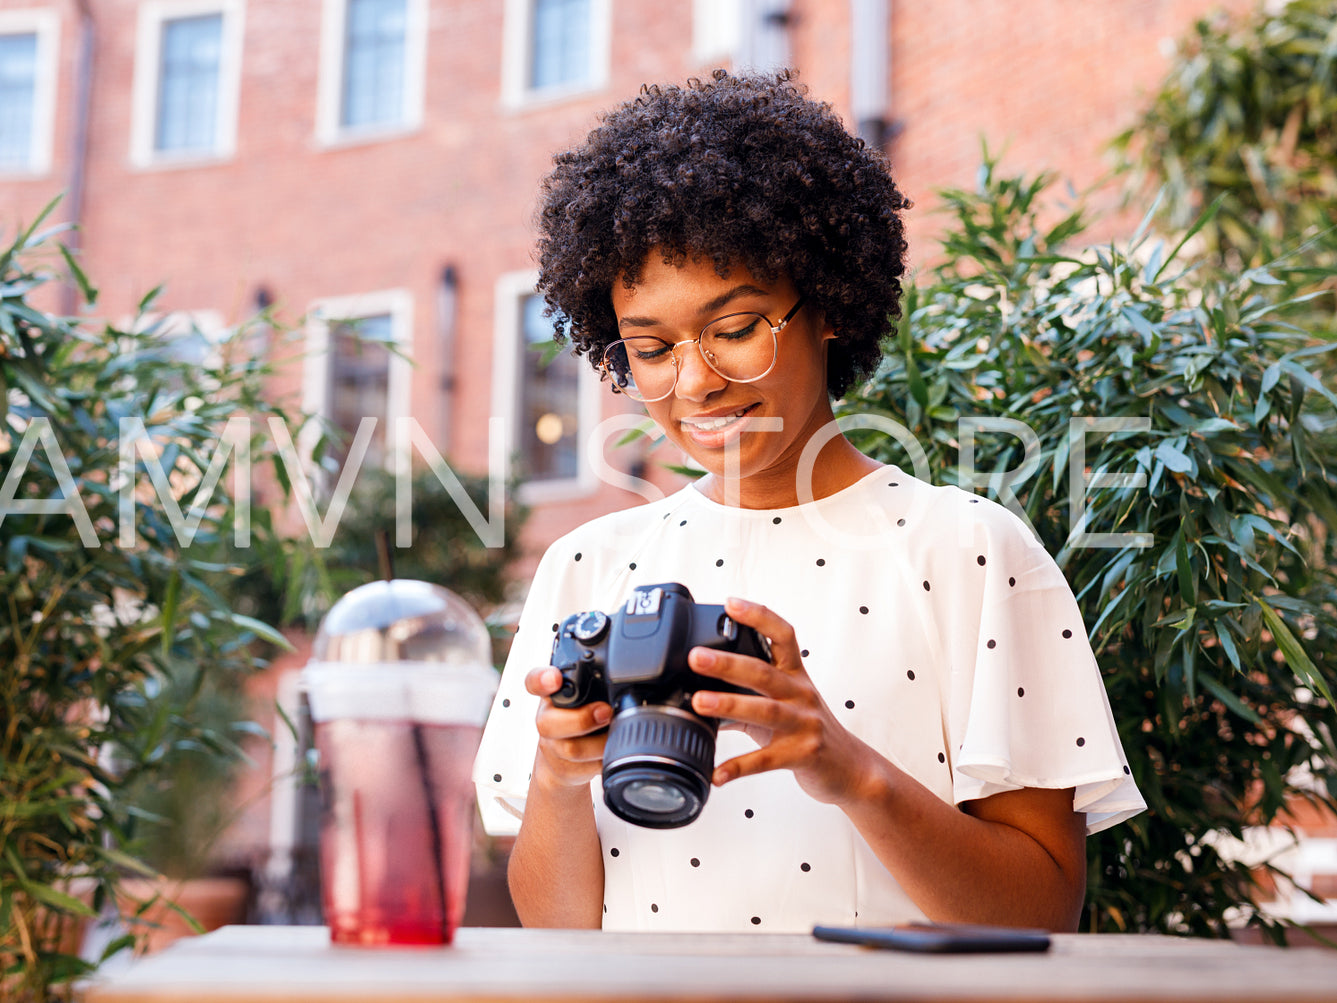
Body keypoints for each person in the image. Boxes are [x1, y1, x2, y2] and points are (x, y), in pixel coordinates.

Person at [472, 70, 1145, 934]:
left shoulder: (965, 549)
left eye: (735, 328)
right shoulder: (586, 569)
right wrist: (560, 778)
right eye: (650, 347)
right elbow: (558, 933)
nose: (696, 382)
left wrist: (848, 768)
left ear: (825, 303)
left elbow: (1042, 909)